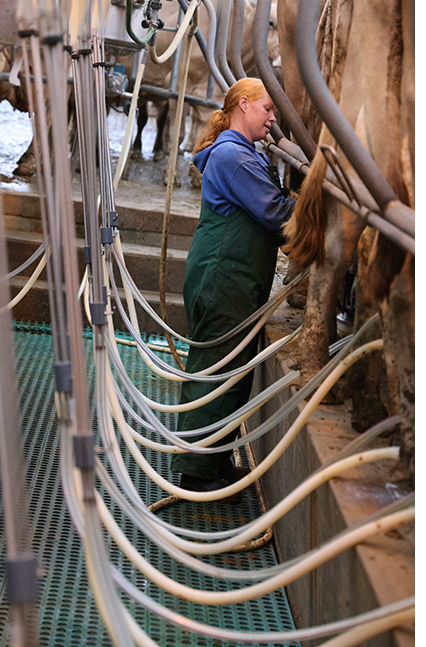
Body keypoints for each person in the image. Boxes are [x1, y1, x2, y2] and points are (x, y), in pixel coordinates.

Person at [172, 77, 296, 494]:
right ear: (244, 105)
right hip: (224, 277)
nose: (272, 118)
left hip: (233, 277)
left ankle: (215, 461)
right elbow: (275, 212)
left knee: (232, 373)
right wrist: (316, 199)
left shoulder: (242, 152)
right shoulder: (234, 157)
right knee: (216, 371)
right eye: (267, 110)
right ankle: (196, 472)